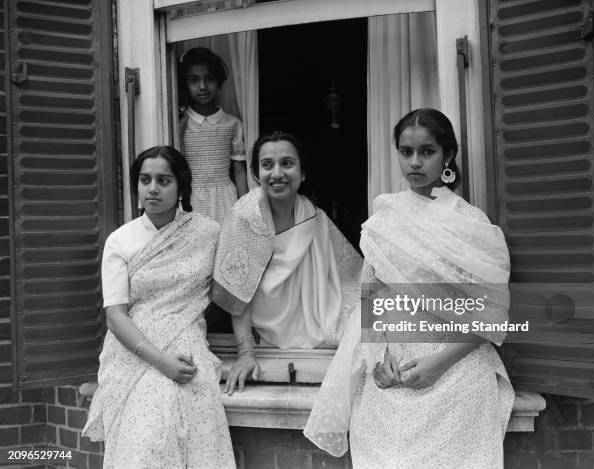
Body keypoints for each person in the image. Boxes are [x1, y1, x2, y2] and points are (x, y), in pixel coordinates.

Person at [304, 109, 514, 468]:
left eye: (427, 151)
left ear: (447, 155)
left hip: (456, 370)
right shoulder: (384, 222)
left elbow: (492, 316)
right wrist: (378, 354)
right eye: (406, 152)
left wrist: (438, 363)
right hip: (392, 373)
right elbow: (370, 296)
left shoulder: (471, 225)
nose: (414, 162)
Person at [82, 146, 235, 469]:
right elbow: (115, 315)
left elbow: (234, 292)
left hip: (188, 348)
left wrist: (247, 349)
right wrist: (161, 361)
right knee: (144, 450)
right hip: (134, 353)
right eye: (145, 180)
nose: (152, 188)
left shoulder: (207, 233)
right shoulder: (121, 241)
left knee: (197, 449)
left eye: (163, 180)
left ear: (181, 186)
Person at [211, 131, 362, 395]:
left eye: (287, 163)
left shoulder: (314, 216)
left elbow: (351, 273)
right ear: (256, 175)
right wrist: (246, 352)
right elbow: (237, 295)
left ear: (303, 173)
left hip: (313, 322)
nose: (277, 173)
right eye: (267, 165)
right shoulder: (245, 217)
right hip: (263, 331)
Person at [178, 47, 248, 224]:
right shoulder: (180, 123)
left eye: (209, 79)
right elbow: (175, 163)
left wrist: (245, 207)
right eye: (194, 80)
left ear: (218, 81)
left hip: (225, 199)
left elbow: (239, 170)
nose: (202, 86)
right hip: (190, 200)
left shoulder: (232, 124)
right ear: (185, 84)